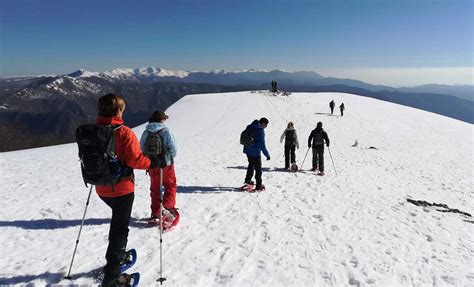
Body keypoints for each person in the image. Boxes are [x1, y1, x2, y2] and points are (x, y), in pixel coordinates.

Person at [94, 93, 162, 286]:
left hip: (101, 187)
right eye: (122, 108)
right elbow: (136, 160)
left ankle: (118, 258)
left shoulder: (93, 131)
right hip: (122, 189)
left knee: (117, 225)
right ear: (118, 110)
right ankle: (112, 276)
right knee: (119, 230)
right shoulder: (124, 132)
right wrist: (153, 162)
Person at [140, 110, 179, 228]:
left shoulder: (146, 131)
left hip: (152, 164)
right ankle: (167, 208)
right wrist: (169, 156)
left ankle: (156, 213)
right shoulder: (166, 131)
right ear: (162, 119)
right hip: (166, 164)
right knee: (170, 185)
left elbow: (141, 147)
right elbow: (173, 149)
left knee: (155, 188)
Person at [243, 117, 271, 191]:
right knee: (258, 170)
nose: (266, 127)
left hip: (248, 151)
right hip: (255, 153)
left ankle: (247, 181)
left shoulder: (250, 126)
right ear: (263, 123)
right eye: (266, 125)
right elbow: (262, 145)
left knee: (251, 165)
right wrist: (267, 155)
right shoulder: (260, 130)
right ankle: (258, 186)